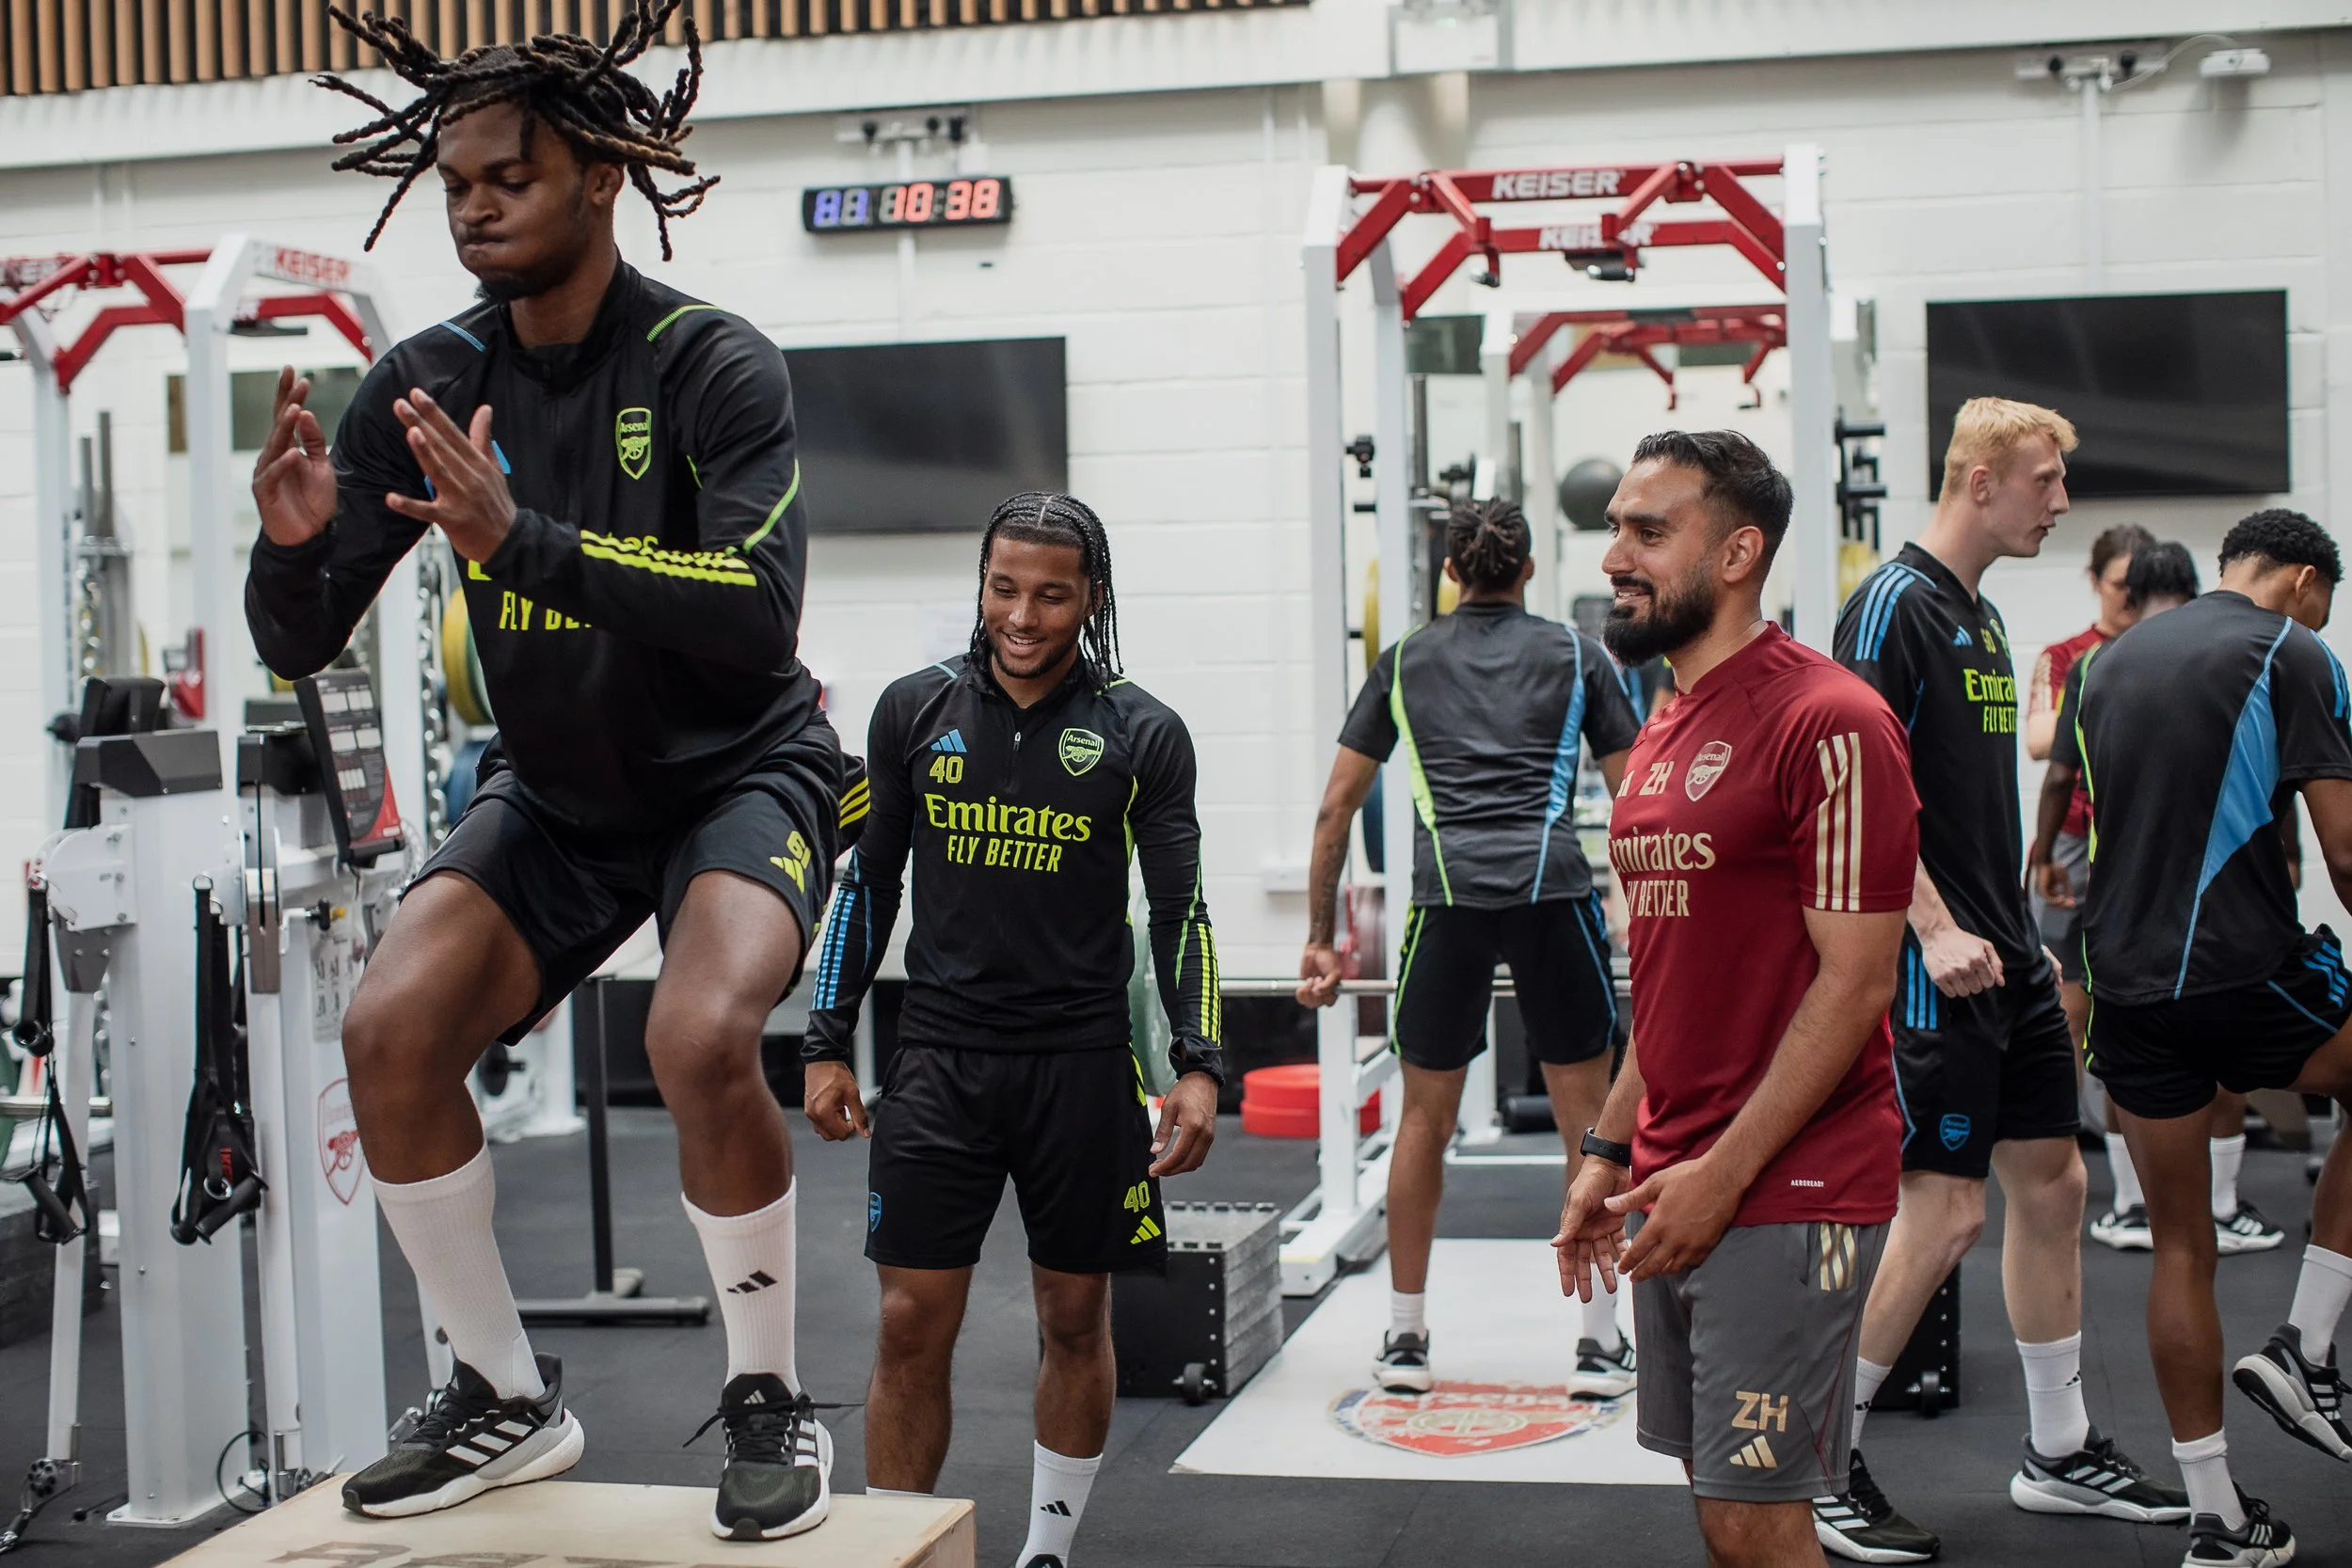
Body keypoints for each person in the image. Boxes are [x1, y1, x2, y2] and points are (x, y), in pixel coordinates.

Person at [245, 1, 844, 1537]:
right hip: (560, 794)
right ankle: (502, 1392)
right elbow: (304, 642)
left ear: (597, 178)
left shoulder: (714, 362)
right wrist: (294, 547)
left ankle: (769, 1397)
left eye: (509, 174)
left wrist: (529, 545)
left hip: (736, 769)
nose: (475, 203)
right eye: (454, 184)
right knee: (386, 1029)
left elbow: (755, 615)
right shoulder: (421, 383)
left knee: (701, 1034)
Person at [801, 492, 1223, 1568]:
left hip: (1079, 1069)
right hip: (937, 1060)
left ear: (1090, 597)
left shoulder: (1141, 731)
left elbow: (1183, 913)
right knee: (906, 1323)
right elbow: (868, 885)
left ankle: (1048, 1548)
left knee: (1075, 1320)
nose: (1023, 615)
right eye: (1004, 587)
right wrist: (822, 1037)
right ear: (980, 584)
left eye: (1050, 593)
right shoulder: (911, 711)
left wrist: (1198, 1063)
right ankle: (900, 1547)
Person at [1817, 399, 2186, 1562]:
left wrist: (2009, 934)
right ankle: (1818, 1461)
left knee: (2055, 1185)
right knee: (1946, 1210)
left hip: (2011, 954)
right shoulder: (1889, 605)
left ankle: (2060, 1448)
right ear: (1979, 481)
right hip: (1941, 963)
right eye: (2043, 481)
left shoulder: (1977, 616)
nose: (2059, 502)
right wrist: (1926, 931)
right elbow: (1848, 791)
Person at [1553, 429, 1915, 1568]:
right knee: (1724, 1514)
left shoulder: (1831, 718)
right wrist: (1608, 1148)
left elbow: (1856, 982)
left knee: (1759, 1525)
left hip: (1789, 1176)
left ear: (1738, 551)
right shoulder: (1660, 721)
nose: (1615, 553)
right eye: (1614, 525)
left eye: (1647, 531)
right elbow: (1678, 979)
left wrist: (1724, 1173)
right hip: (1676, 1167)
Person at [1298, 498, 1642, 1398]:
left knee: (1423, 1123)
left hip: (1445, 906)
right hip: (1553, 895)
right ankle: (1600, 1345)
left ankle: (1405, 1339)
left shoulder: (1405, 659)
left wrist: (1318, 940)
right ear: (1527, 570)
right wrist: (1656, 920)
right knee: (1591, 1125)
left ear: (1452, 572)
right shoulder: (1577, 651)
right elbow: (1641, 801)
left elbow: (1336, 806)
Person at [2070, 509, 2352, 1568]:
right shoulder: (2294, 647)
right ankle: (2306, 1346)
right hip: (2236, 965)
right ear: (2302, 578)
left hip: (2122, 984)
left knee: (2179, 1243)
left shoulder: (2105, 664)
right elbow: (2346, 849)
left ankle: (2218, 1518)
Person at [2033, 546, 2289, 1261]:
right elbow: (2278, 766)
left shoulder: (2096, 664)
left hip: (2123, 887)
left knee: (2121, 1035)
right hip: (2219, 883)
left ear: (2133, 592)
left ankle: (2132, 1203)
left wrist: (2043, 849)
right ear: (2196, 587)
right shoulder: (2238, 652)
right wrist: (2289, 853)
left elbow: (2059, 777)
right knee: (2226, 1031)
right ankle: (2222, 1204)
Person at [2024, 523, 2153, 1247]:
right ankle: (2061, 1151)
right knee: (2063, 1005)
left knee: (2127, 1003)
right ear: (2096, 582)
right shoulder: (2068, 655)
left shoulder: (2162, 650)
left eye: (2141, 587)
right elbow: (2042, 739)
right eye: (2118, 585)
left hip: (2136, 841)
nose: (2130, 599)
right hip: (2072, 840)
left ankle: (2133, 1176)